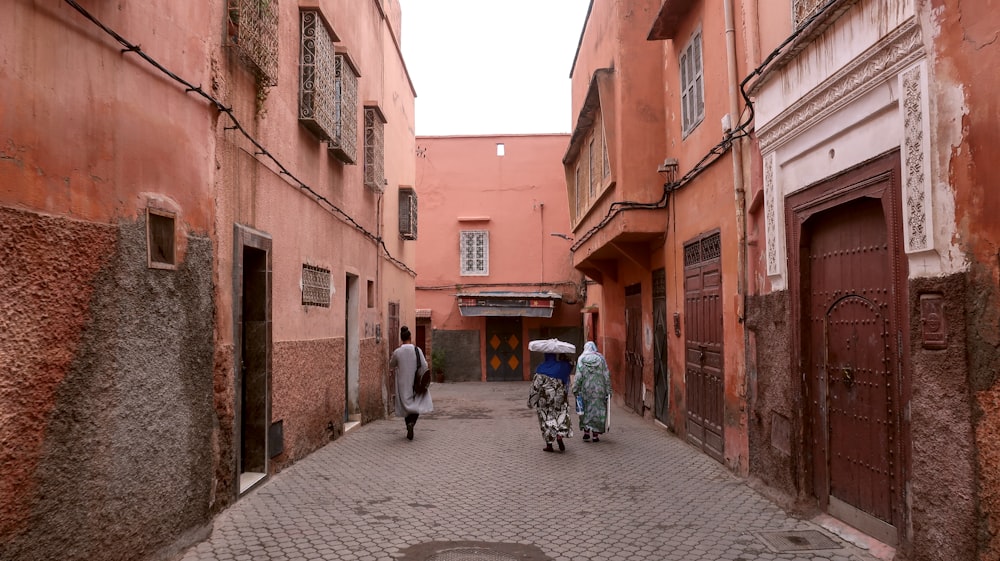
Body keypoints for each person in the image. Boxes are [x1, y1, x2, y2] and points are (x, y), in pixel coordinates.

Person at [389, 326, 433, 440]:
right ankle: (412, 423)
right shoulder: (417, 350)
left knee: (406, 405)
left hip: (403, 384)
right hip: (416, 383)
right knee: (416, 404)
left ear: (401, 338)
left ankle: (408, 424)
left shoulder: (397, 352)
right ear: (410, 337)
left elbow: (391, 364)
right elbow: (425, 365)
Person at [527, 352, 574, 452]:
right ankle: (559, 436)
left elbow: (535, 387)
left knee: (546, 419)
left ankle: (549, 444)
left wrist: (531, 401)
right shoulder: (561, 366)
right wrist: (563, 356)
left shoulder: (541, 368)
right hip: (559, 398)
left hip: (545, 399)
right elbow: (571, 365)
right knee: (560, 416)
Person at [572, 341, 611, 442]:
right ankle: (595, 435)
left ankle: (586, 431)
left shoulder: (581, 358)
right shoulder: (601, 359)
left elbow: (578, 376)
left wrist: (575, 388)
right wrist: (608, 390)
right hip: (599, 389)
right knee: (597, 410)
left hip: (585, 389)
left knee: (585, 409)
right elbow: (606, 375)